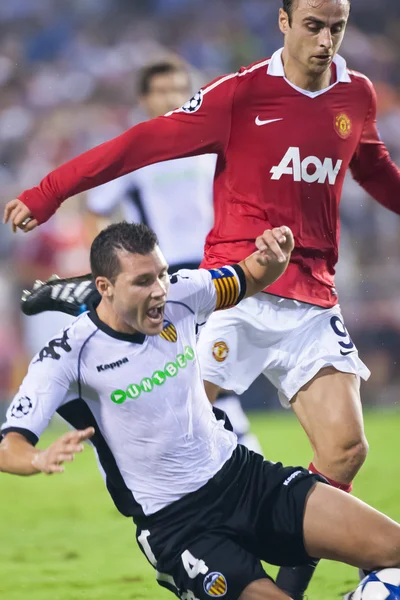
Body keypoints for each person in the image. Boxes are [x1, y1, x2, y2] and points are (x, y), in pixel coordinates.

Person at [4, 0, 400, 595]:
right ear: (284, 22)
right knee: (157, 412)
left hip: (312, 296)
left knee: (345, 450)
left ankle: (284, 580)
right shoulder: (240, 95)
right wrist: (49, 191)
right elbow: (141, 143)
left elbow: (374, 168)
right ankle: (173, 535)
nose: (325, 41)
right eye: (313, 26)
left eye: (337, 27)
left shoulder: (357, 96)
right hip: (231, 292)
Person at [2, 221, 400, 600]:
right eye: (143, 281)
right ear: (104, 287)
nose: (160, 289)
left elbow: (248, 276)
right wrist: (39, 457)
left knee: (394, 548)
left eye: (160, 273)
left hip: (244, 479)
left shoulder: (181, 291)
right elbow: (9, 446)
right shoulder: (67, 354)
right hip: (180, 526)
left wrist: (276, 256)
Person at [85, 58, 262, 453]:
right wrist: (107, 271)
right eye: (161, 90)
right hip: (160, 276)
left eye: (177, 89)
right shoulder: (133, 151)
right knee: (191, 365)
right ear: (144, 99)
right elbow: (96, 207)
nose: (170, 97)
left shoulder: (209, 143)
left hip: (214, 267)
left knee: (208, 361)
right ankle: (239, 452)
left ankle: (219, 455)